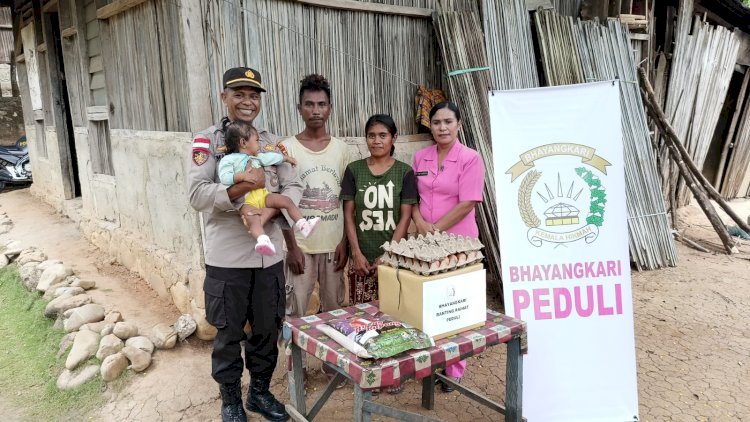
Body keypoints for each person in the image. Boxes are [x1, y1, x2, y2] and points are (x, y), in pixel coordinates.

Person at [188, 67, 297, 422]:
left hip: (269, 258)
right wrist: (241, 189)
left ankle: (260, 394)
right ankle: (231, 400)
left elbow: (293, 187)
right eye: (239, 94)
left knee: (267, 329)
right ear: (224, 97)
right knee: (228, 334)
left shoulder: (271, 142)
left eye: (254, 95)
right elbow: (197, 194)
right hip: (228, 259)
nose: (247, 102)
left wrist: (265, 216)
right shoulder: (207, 142)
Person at [411, 101, 485, 393]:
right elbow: (412, 199)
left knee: (456, 306)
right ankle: (430, 359)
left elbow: (468, 202)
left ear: (459, 125)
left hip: (458, 242)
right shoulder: (420, 158)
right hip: (426, 242)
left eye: (447, 122)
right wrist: (419, 222)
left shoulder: (470, 158)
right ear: (430, 125)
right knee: (430, 303)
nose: (442, 127)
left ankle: (454, 368)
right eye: (436, 122)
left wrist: (435, 230)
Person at [281, 74, 352, 319]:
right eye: (309, 104)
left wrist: (345, 243)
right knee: (296, 312)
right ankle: (295, 358)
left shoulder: (343, 150)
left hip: (334, 247)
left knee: (335, 312)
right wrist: (291, 247)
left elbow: (348, 203)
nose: (315, 110)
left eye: (321, 104)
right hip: (301, 246)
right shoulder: (286, 148)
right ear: (299, 108)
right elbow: (282, 201)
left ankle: (333, 359)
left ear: (330, 109)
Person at [341, 114, 417, 306]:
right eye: (371, 135)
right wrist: (356, 253)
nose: (376, 141)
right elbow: (348, 214)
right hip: (361, 260)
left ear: (394, 137)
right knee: (362, 318)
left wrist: (388, 254)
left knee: (395, 313)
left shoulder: (404, 172)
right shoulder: (354, 170)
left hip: (394, 258)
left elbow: (405, 217)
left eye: (383, 135)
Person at [219, 120, 320, 256]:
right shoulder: (229, 160)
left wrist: (285, 159)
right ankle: (263, 240)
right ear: (243, 143)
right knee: (252, 220)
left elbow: (271, 158)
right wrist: (241, 177)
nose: (259, 144)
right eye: (256, 140)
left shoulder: (257, 158)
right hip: (246, 200)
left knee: (286, 201)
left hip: (263, 195)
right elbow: (224, 177)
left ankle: (303, 225)